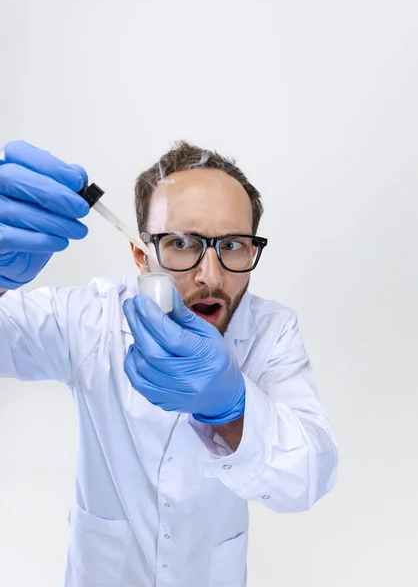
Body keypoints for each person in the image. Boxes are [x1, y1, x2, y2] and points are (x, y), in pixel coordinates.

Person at [0, 140, 338, 587]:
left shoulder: (270, 331)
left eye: (233, 245)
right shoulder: (91, 318)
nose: (211, 276)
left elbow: (308, 477)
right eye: (181, 243)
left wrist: (231, 406)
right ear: (142, 256)